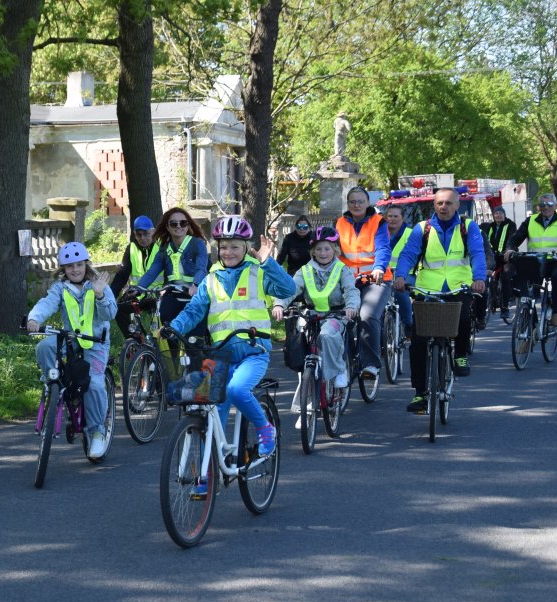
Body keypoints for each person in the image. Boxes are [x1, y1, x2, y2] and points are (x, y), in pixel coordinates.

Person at [167, 215, 296, 466]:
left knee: (237, 390)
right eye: (223, 246)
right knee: (208, 410)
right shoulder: (211, 279)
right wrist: (173, 327)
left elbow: (288, 289)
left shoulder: (258, 271)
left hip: (253, 351)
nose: (228, 252)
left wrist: (267, 261)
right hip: (220, 356)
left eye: (235, 246)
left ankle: (264, 428)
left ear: (246, 247)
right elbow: (194, 310)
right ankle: (205, 473)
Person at [393, 187, 486, 413]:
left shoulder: (468, 227)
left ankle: (461, 356)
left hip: (459, 286)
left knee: (463, 318)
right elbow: (408, 254)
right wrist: (401, 276)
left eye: (448, 203)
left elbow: (477, 253)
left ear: (457, 206)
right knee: (418, 341)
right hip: (427, 289)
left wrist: (479, 277)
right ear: (434, 205)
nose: (444, 207)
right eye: (439, 203)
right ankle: (419, 393)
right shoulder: (421, 229)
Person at [26, 242, 117, 459]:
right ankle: (53, 383)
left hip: (95, 343)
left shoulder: (98, 285)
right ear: (63, 269)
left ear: (86, 264)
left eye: (78, 264)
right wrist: (34, 318)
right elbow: (47, 303)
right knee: (45, 346)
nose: (75, 269)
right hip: (70, 340)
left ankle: (97, 431)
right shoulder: (60, 288)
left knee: (94, 383)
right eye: (69, 266)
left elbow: (110, 315)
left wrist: (101, 296)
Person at [274, 226, 359, 392]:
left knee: (327, 335)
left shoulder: (342, 269)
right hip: (310, 315)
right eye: (318, 249)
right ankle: (306, 382)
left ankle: (339, 369)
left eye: (327, 248)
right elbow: (290, 290)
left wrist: (351, 307)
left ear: (335, 250)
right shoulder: (305, 270)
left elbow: (351, 291)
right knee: (297, 342)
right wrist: (279, 304)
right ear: (312, 251)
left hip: (336, 315)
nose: (323, 253)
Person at [132, 207, 211, 367]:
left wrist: (195, 284)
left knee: (193, 343)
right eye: (173, 224)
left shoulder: (197, 244)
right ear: (167, 227)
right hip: (173, 295)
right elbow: (152, 271)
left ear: (188, 225)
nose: (178, 227)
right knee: (169, 337)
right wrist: (138, 288)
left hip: (194, 297)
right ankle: (172, 375)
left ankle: (197, 379)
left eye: (182, 223)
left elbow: (201, 268)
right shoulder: (164, 249)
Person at [335, 186, 392, 381]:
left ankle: (370, 364)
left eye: (360, 201)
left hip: (375, 279)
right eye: (352, 202)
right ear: (348, 204)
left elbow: (383, 248)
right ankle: (345, 359)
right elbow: (331, 251)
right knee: (338, 316)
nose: (356, 205)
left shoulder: (379, 222)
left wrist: (379, 268)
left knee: (367, 315)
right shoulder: (339, 223)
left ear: (368, 203)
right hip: (347, 280)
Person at [505, 192, 557, 328]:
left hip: (556, 261)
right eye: (543, 204)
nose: (546, 207)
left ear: (555, 205)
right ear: (538, 207)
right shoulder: (530, 220)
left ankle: (556, 311)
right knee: (528, 292)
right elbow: (516, 237)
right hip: (535, 262)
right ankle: (531, 324)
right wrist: (510, 249)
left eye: (549, 204)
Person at [109, 215, 160, 338]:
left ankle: (169, 351)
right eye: (139, 234)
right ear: (134, 234)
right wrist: (109, 296)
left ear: (153, 232)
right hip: (139, 295)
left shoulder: (161, 247)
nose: (142, 238)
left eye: (146, 234)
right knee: (120, 309)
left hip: (159, 295)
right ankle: (135, 342)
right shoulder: (131, 248)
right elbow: (122, 276)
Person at [478, 205, 517, 325]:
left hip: (505, 257)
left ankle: (505, 308)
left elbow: (512, 239)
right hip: (492, 257)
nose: (498, 215)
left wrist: (508, 250)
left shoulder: (510, 225)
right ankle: (486, 305)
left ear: (504, 215)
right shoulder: (488, 226)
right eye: (496, 213)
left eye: (500, 213)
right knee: (483, 277)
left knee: (505, 277)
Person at [384, 205, 414, 334]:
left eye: (396, 216)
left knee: (400, 292)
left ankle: (408, 324)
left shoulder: (410, 233)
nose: (392, 219)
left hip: (406, 273)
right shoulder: (380, 232)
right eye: (390, 216)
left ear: (402, 218)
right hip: (384, 274)